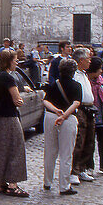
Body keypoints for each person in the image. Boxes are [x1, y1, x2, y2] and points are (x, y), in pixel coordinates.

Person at [0, 49, 29, 197]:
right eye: (15, 60)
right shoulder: (9, 78)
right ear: (9, 61)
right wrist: (21, 100)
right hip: (10, 118)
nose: (17, 62)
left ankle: (1, 183)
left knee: (1, 151)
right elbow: (17, 100)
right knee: (15, 149)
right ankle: (13, 185)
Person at [42, 58, 82, 195]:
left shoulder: (54, 84)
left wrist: (55, 110)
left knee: (50, 151)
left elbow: (45, 101)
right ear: (73, 71)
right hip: (68, 118)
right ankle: (64, 186)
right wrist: (63, 116)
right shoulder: (76, 86)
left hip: (50, 117)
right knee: (66, 153)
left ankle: (47, 182)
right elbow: (76, 103)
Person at [71, 47, 97, 183]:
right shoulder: (75, 75)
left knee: (89, 140)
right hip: (80, 109)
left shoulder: (84, 74)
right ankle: (74, 170)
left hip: (89, 108)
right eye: (88, 59)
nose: (90, 62)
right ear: (81, 60)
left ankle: (82, 168)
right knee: (79, 140)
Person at [86, 57, 103, 175]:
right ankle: (89, 166)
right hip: (91, 115)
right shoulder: (86, 81)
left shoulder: (100, 79)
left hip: (102, 116)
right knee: (90, 143)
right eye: (99, 69)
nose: (101, 71)